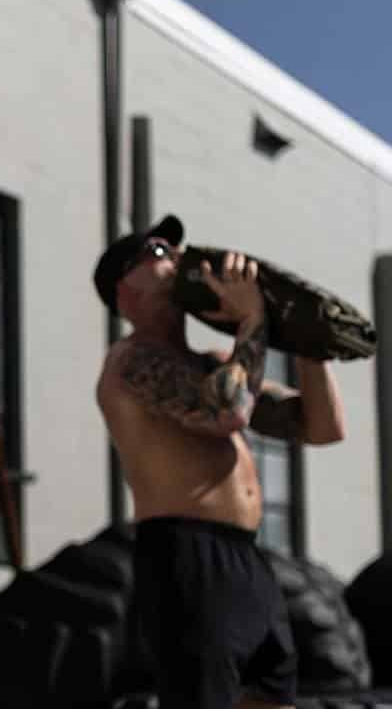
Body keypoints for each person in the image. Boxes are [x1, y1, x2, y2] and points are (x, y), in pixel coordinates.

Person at [93, 214, 346, 709]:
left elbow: (321, 427)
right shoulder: (130, 363)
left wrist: (305, 346)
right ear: (126, 291)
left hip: (247, 559)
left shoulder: (212, 363)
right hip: (187, 558)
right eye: (160, 252)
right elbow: (226, 411)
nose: (180, 256)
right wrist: (251, 321)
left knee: (271, 699)